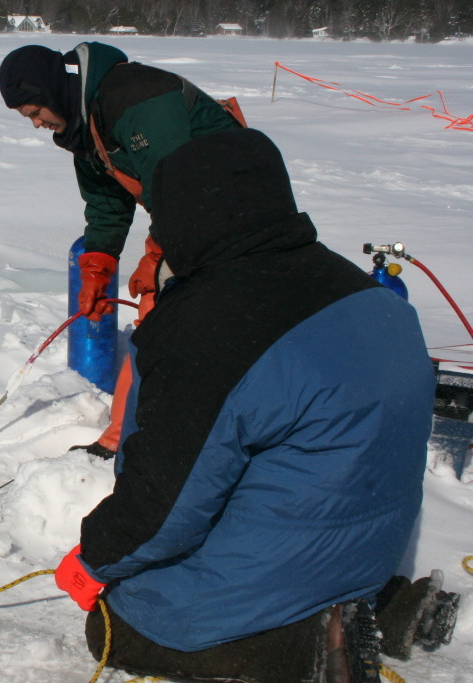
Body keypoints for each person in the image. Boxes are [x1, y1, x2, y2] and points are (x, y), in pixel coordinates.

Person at [52, 128, 457, 681]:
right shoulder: (359, 288)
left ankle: (301, 647)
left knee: (115, 627)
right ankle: (372, 607)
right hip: (363, 555)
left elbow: (165, 506)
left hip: (273, 574)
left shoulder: (211, 327)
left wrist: (93, 557)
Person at [0, 42, 244, 459]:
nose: (37, 124)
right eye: (30, 119)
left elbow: (177, 184)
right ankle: (124, 438)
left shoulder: (135, 98)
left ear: (54, 90)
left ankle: (156, 439)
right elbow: (107, 203)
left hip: (237, 206)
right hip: (191, 215)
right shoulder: (84, 127)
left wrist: (156, 258)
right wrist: (96, 266)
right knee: (160, 319)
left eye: (36, 112)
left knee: (168, 320)